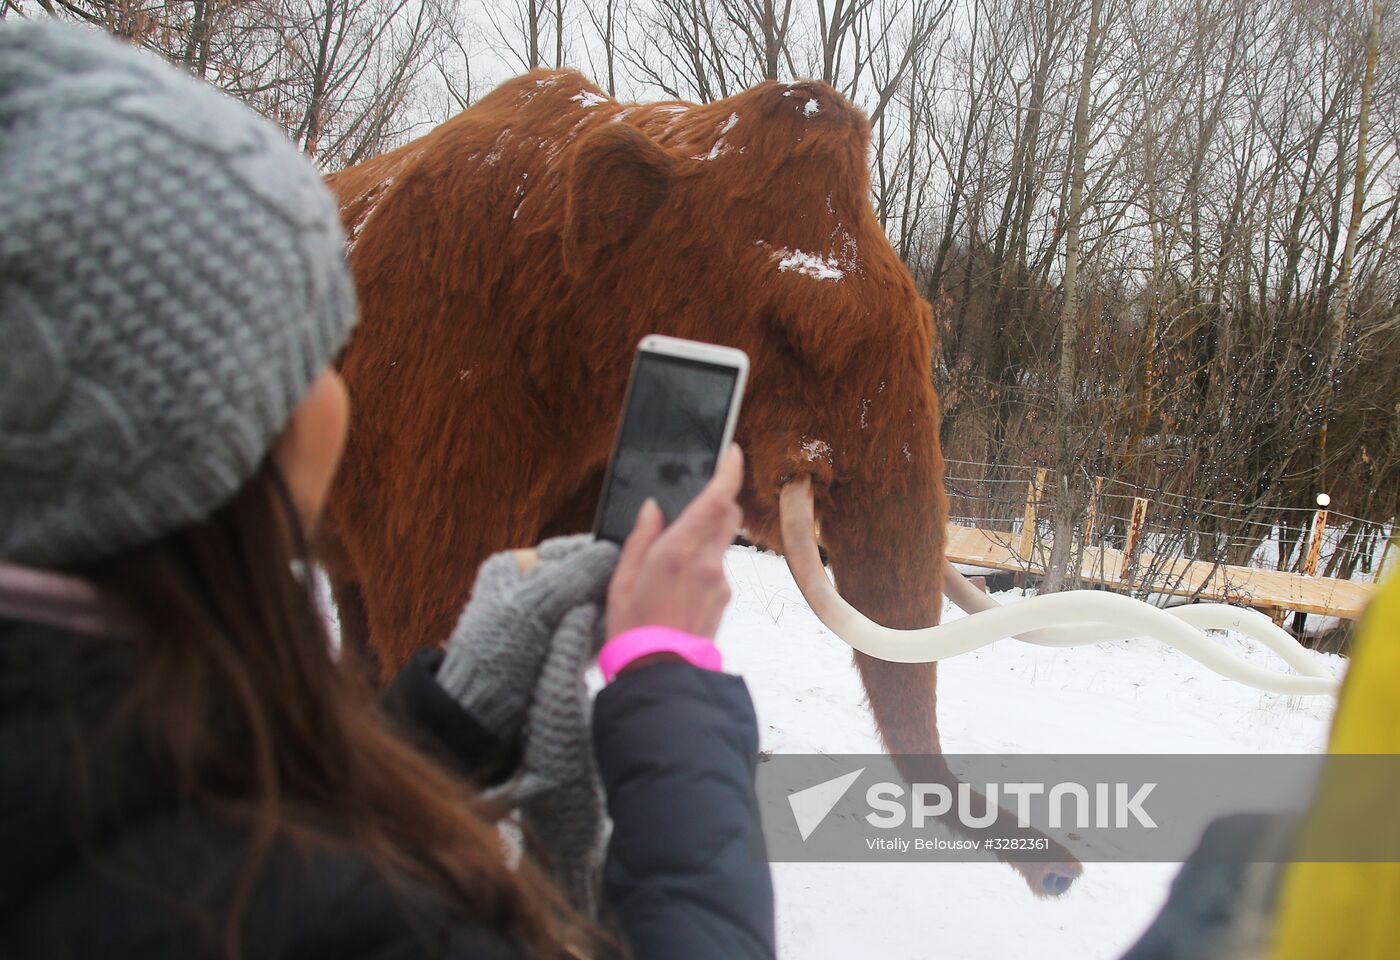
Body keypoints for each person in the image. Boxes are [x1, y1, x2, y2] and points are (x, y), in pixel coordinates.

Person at [0, 21, 774, 960]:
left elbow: (228, 822)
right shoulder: (332, 921)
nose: (341, 384)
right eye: (321, 346)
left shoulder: (106, 777)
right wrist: (670, 681)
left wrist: (448, 713)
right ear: (229, 423)